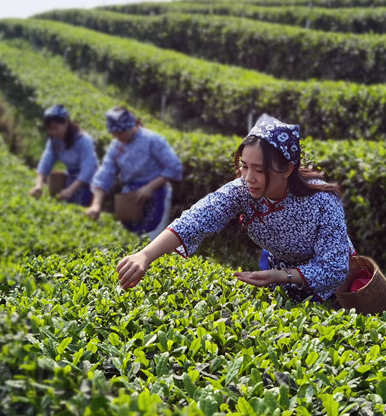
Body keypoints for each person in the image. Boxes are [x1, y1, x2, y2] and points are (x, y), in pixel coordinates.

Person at [116, 114, 355, 304]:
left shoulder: (322, 199)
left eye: (259, 170)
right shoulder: (242, 189)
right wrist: (145, 256)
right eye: (244, 167)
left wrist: (280, 276)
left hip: (334, 290)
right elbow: (197, 218)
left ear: (287, 169)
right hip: (281, 277)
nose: (248, 178)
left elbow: (334, 268)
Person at [86, 106, 183, 240]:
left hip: (157, 193)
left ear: (131, 126)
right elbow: (105, 174)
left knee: (152, 241)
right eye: (114, 133)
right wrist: (96, 204)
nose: (117, 136)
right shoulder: (116, 145)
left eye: (121, 132)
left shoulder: (152, 140)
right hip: (131, 196)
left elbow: (174, 167)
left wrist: (150, 187)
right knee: (130, 240)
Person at [30, 104, 97, 206]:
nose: (53, 132)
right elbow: (46, 161)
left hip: (87, 182)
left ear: (66, 121)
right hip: (71, 177)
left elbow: (88, 169)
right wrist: (38, 185)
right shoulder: (54, 141)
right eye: (50, 129)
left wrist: (70, 190)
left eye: (56, 128)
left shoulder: (83, 140)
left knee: (82, 208)